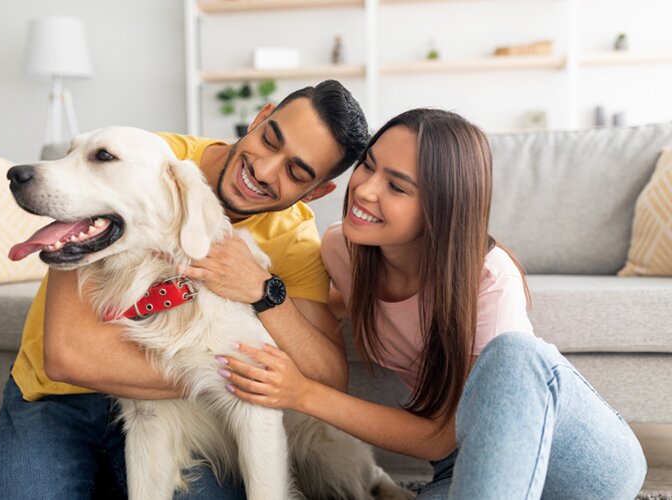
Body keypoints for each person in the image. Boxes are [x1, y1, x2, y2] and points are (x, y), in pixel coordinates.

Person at [218, 108, 648, 499]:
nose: (364, 190)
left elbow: (441, 435)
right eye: (368, 165)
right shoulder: (343, 250)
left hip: (573, 466)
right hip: (462, 470)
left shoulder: (489, 277)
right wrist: (254, 287)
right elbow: (312, 315)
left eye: (397, 186)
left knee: (515, 354)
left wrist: (302, 393)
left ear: (441, 207)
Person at [0, 80, 368, 499]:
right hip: (59, 398)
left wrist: (262, 290)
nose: (265, 170)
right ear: (260, 117)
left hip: (185, 410)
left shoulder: (294, 237)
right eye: (271, 139)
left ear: (318, 191)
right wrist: (231, 375)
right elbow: (67, 357)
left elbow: (326, 378)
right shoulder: (143, 157)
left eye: (296, 172)